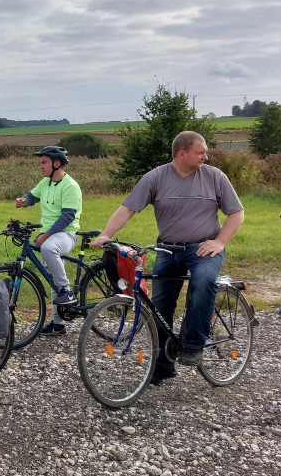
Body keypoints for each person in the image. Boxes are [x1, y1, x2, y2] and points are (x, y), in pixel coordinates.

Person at [92, 131, 244, 385]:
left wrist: (219, 241)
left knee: (203, 281)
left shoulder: (215, 176)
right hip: (167, 248)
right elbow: (128, 208)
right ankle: (163, 363)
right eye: (201, 152)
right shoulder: (156, 177)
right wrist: (107, 234)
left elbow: (237, 213)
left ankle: (194, 344)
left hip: (203, 248)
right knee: (159, 307)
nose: (206, 156)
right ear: (182, 153)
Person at [15, 145, 84, 336]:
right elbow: (32, 196)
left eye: (44, 162)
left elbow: (67, 217)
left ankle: (66, 291)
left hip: (66, 234)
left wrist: (46, 236)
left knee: (48, 249)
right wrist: (24, 200)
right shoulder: (45, 183)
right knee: (52, 276)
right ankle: (58, 323)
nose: (41, 166)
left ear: (56, 163)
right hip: (50, 235)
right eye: (40, 163)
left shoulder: (70, 186)